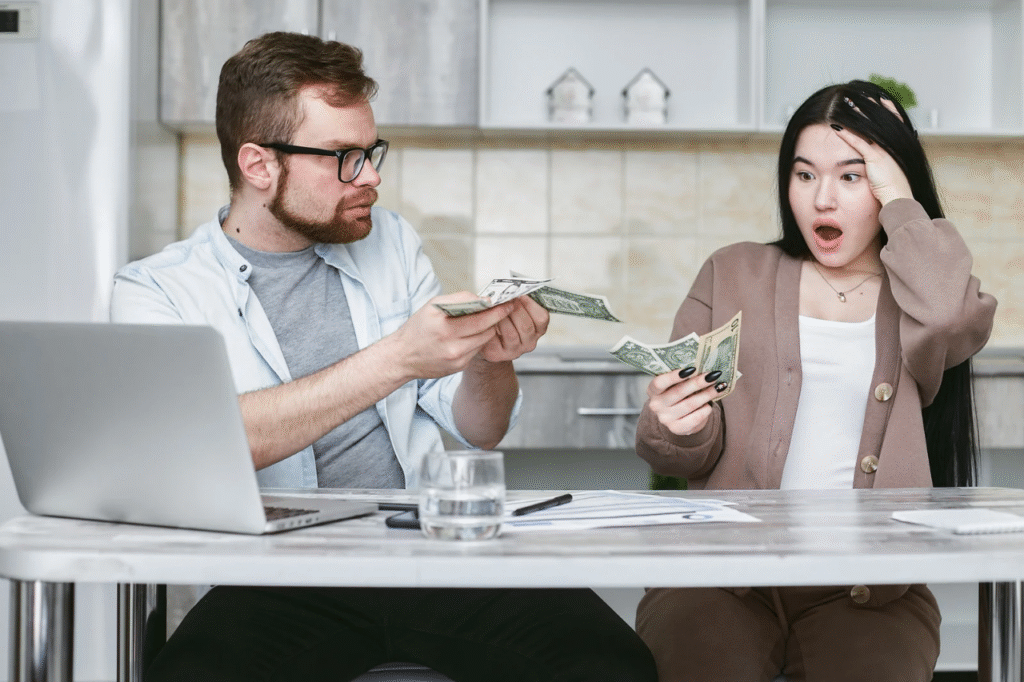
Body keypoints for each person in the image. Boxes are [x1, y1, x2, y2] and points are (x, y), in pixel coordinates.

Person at [111, 31, 656, 682]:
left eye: (371, 153)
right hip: (276, 576)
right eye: (343, 157)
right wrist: (400, 356)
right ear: (259, 165)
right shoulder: (157, 290)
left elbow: (480, 428)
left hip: (429, 553)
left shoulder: (391, 241)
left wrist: (490, 361)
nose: (369, 176)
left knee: (613, 666)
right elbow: (197, 449)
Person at [633, 79, 997, 682]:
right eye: (804, 175)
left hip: (869, 589)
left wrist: (901, 199)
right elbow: (677, 452)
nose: (822, 199)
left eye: (852, 177)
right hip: (723, 581)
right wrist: (675, 424)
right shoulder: (732, 272)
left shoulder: (919, 293)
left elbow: (952, 315)